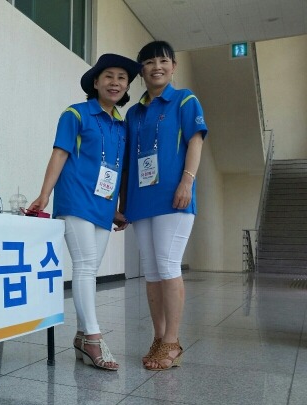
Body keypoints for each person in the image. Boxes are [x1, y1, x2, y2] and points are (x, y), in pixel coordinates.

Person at [28, 53, 142, 371]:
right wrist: (45, 194)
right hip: (75, 198)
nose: (115, 82)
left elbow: (120, 169)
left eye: (122, 78)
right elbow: (60, 153)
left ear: (127, 86)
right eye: (109, 76)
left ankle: (81, 337)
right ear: (96, 82)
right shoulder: (75, 114)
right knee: (85, 266)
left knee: (89, 268)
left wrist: (120, 207)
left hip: (103, 206)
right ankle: (93, 337)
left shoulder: (122, 126)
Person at [123, 40, 208, 370]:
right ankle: (158, 337)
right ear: (141, 71)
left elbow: (195, 141)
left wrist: (187, 181)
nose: (156, 66)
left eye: (162, 60)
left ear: (173, 67)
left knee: (168, 265)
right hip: (141, 200)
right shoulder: (134, 113)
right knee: (152, 271)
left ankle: (172, 341)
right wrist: (123, 202)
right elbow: (128, 162)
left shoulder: (185, 99)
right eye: (148, 62)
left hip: (173, 197)